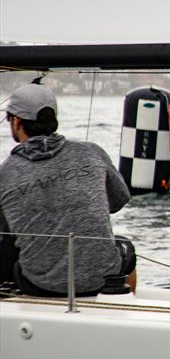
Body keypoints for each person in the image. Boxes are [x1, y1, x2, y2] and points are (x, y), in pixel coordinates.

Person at [0, 83, 136, 296]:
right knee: (125, 247)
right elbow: (118, 201)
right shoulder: (91, 151)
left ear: (16, 121)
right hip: (101, 279)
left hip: (39, 285)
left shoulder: (5, 172)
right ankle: (122, 309)